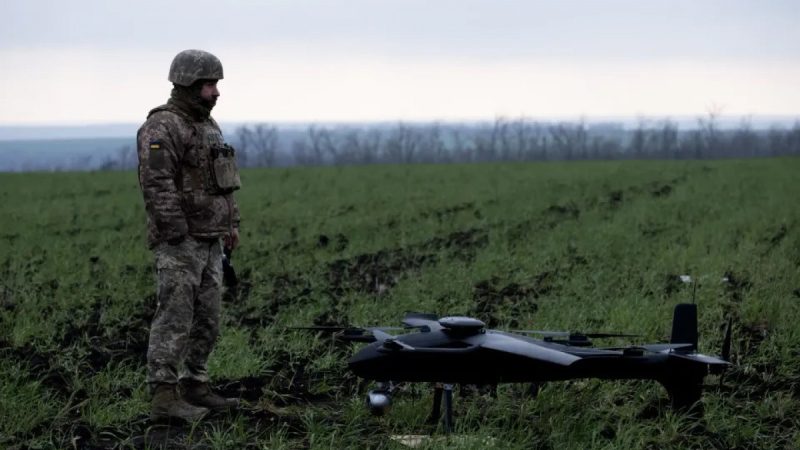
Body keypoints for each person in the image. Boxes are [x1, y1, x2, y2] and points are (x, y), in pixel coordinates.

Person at [136, 49, 242, 421]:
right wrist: (176, 233)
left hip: (211, 239)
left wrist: (232, 226)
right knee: (175, 317)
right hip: (181, 243)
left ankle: (195, 384)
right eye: (209, 85)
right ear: (187, 85)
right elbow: (156, 183)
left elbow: (224, 183)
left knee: (207, 318)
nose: (216, 92)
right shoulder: (162, 127)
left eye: (215, 84)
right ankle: (164, 397)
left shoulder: (210, 127)